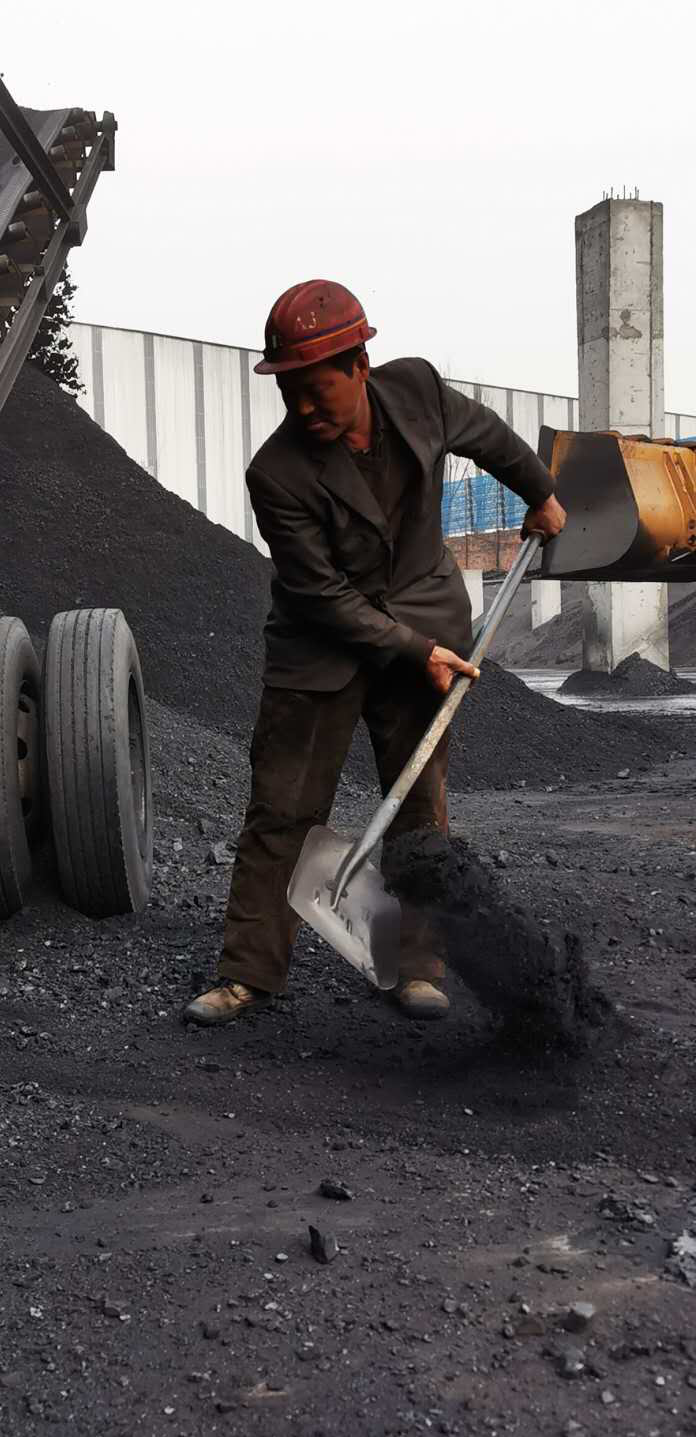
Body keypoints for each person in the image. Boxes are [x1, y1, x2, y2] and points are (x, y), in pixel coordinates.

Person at [182, 280, 566, 1025]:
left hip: (422, 610)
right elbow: (322, 596)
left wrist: (540, 493)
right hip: (320, 645)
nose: (302, 408)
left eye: (316, 388)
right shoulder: (276, 473)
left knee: (418, 806)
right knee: (284, 808)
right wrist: (416, 650)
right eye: (288, 390)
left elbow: (487, 434)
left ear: (360, 366)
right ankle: (249, 973)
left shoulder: (416, 391)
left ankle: (413, 967)